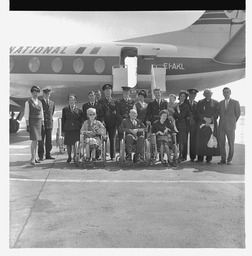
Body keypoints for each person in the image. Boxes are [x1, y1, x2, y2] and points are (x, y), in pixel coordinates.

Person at [195, 88, 220, 163]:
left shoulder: (215, 102)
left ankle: (209, 158)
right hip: (202, 125)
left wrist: (210, 120)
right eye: (206, 93)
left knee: (210, 140)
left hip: (211, 125)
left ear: (211, 94)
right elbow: (197, 112)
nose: (207, 95)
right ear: (203, 95)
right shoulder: (200, 102)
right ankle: (200, 158)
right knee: (201, 142)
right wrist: (204, 118)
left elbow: (217, 113)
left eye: (209, 93)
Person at [218, 87, 241, 165]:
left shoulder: (235, 102)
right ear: (223, 93)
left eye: (227, 92)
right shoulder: (220, 103)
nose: (226, 94)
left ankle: (229, 159)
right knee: (221, 143)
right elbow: (218, 114)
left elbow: (237, 114)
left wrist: (232, 122)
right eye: (224, 92)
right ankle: (223, 159)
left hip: (231, 126)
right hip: (221, 126)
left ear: (230, 93)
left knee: (231, 143)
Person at [24, 85, 44, 165]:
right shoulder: (28, 102)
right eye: (34, 92)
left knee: (37, 141)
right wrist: (27, 125)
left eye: (37, 92)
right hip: (32, 122)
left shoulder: (40, 102)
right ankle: (32, 158)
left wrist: (42, 124)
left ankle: (35, 157)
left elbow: (41, 113)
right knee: (34, 140)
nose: (35, 94)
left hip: (39, 122)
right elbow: (26, 114)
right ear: (32, 93)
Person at [61, 94, 83, 163]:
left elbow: (81, 120)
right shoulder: (65, 109)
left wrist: (81, 130)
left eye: (73, 100)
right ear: (68, 101)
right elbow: (63, 120)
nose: (72, 101)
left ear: (75, 101)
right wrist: (62, 131)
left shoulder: (79, 110)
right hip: (68, 128)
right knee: (68, 144)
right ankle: (69, 156)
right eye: (70, 100)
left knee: (75, 144)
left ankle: (75, 157)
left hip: (76, 129)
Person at [99, 84, 118, 160]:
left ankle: (113, 156)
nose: (107, 92)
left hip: (112, 123)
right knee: (103, 139)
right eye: (106, 91)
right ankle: (103, 155)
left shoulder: (115, 101)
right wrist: (102, 121)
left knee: (112, 139)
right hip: (104, 123)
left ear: (111, 92)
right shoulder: (100, 101)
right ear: (104, 92)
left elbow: (116, 112)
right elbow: (100, 113)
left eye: (109, 91)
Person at [38, 87, 55, 161]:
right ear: (43, 94)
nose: (47, 95)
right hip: (42, 124)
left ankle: (48, 154)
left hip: (49, 124)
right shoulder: (40, 102)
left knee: (49, 141)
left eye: (48, 94)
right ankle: (41, 156)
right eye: (46, 94)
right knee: (41, 141)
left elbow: (52, 113)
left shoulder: (52, 103)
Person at [173, 90, 190, 162]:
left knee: (181, 142)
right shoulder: (177, 104)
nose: (182, 97)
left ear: (186, 97)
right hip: (176, 125)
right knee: (177, 141)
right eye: (181, 96)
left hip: (182, 125)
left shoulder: (186, 106)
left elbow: (182, 116)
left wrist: (174, 113)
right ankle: (176, 155)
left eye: (184, 96)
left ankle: (181, 156)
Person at [185, 89, 199, 162]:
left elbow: (198, 113)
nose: (192, 96)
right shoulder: (185, 103)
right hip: (186, 124)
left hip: (193, 124)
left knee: (193, 141)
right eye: (191, 95)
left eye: (194, 95)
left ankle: (192, 157)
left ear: (195, 96)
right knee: (185, 141)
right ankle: (183, 156)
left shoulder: (197, 104)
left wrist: (194, 119)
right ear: (189, 95)